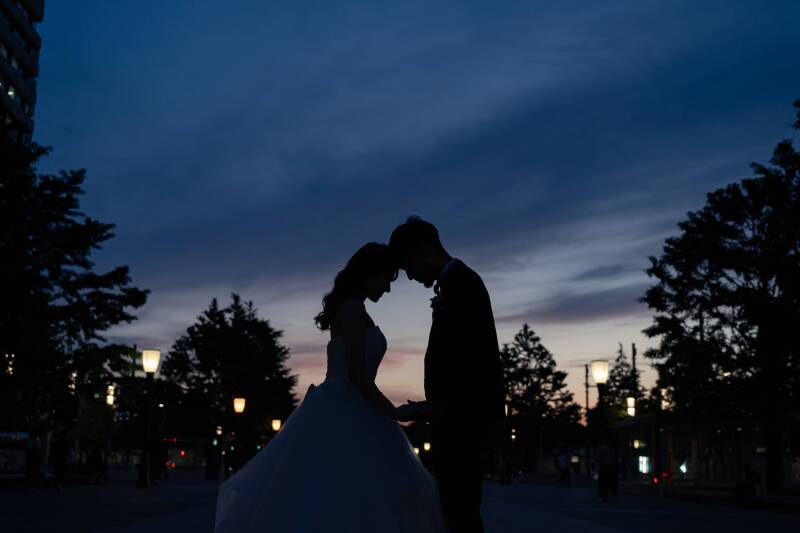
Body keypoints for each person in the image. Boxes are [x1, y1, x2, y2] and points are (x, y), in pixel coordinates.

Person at [214, 242, 447, 533]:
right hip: (349, 404)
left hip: (351, 404)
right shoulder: (351, 310)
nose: (387, 289)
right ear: (370, 273)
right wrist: (393, 411)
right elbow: (358, 376)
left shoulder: (354, 309)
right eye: (387, 279)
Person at [391, 216, 505, 533]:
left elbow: (476, 363)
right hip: (455, 420)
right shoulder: (457, 283)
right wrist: (429, 407)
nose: (410, 276)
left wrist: (433, 408)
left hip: (462, 426)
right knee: (458, 512)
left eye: (408, 265)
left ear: (424, 251)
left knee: (461, 514)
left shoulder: (463, 285)